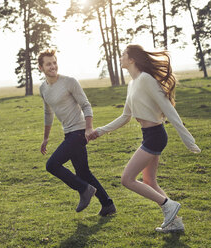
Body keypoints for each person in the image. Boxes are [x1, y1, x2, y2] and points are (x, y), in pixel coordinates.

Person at [88, 44, 201, 231]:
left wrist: (188, 139)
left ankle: (168, 205)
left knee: (127, 179)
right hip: (148, 135)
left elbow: (168, 109)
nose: (121, 57)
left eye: (123, 54)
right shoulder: (132, 83)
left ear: (131, 59)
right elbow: (125, 116)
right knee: (149, 181)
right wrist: (100, 131)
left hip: (155, 135)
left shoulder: (146, 79)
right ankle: (175, 222)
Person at [38, 49, 116, 216]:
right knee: (83, 172)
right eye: (48, 64)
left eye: (54, 62)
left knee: (52, 165)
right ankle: (108, 204)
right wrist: (45, 138)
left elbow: (86, 105)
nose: (53, 66)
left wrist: (89, 128)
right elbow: (47, 113)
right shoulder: (43, 88)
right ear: (41, 68)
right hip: (69, 132)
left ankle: (84, 189)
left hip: (79, 132)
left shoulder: (69, 82)